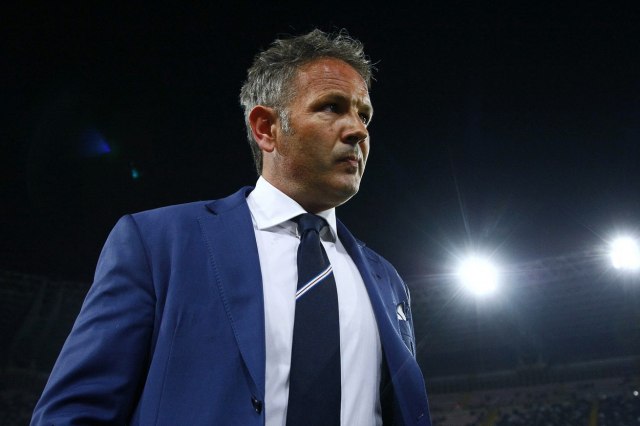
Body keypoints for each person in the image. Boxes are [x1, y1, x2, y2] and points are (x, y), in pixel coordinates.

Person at [31, 29, 431, 426]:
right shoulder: (158, 244)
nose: (359, 130)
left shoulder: (388, 282)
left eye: (364, 115)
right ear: (266, 128)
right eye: (331, 107)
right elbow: (73, 413)